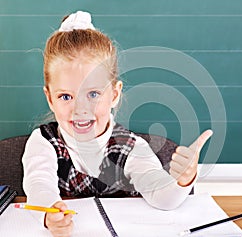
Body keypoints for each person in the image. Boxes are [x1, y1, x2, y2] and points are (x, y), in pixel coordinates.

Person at [22, 11, 213, 237]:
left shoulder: (132, 147)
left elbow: (163, 197)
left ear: (114, 94)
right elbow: (38, 186)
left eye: (93, 94)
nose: (80, 109)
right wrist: (50, 213)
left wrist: (182, 181)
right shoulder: (43, 142)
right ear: (50, 98)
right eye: (66, 96)